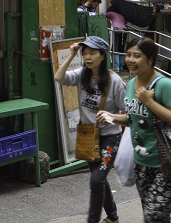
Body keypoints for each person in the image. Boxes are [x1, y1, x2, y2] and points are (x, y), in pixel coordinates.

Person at [97, 37, 171, 223]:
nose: (131, 60)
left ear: (150, 59)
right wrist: (114, 117)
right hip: (142, 163)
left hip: (168, 163)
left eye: (137, 56)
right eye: (128, 55)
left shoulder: (164, 85)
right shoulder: (132, 84)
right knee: (155, 216)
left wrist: (149, 102)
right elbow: (136, 118)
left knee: (153, 216)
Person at [53, 36, 126, 223]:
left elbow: (127, 113)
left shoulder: (115, 81)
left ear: (103, 55)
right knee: (99, 179)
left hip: (110, 138)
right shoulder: (80, 75)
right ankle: (113, 218)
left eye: (92, 52)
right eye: (85, 53)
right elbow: (58, 78)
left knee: (96, 180)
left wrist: (111, 118)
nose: (87, 56)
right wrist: (71, 55)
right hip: (88, 137)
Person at [106, 6, 127, 71]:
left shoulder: (111, 13)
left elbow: (102, 15)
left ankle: (116, 67)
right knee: (121, 49)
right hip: (125, 31)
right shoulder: (121, 15)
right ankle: (121, 67)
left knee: (115, 48)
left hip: (116, 30)